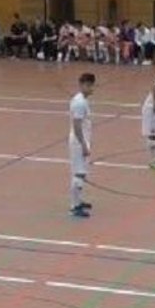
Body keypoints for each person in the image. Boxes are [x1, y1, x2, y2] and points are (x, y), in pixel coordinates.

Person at [68, 73, 96, 218]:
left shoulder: (82, 101)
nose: (92, 88)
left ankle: (78, 200)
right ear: (83, 85)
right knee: (78, 173)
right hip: (79, 142)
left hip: (82, 141)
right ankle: (74, 206)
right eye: (89, 85)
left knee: (82, 172)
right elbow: (77, 125)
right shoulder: (79, 103)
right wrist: (84, 145)